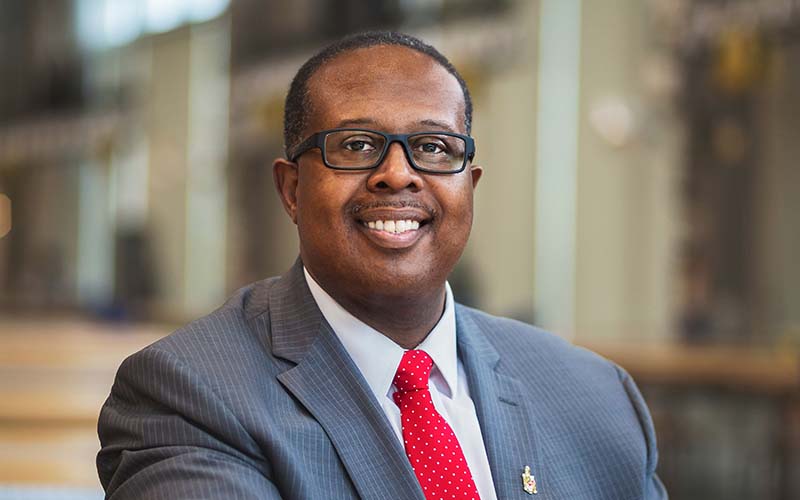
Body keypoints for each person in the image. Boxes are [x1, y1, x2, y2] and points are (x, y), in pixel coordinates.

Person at [97, 31, 667, 500]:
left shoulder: (599, 398)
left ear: (469, 188)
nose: (398, 173)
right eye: (357, 145)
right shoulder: (187, 397)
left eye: (436, 148)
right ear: (292, 188)